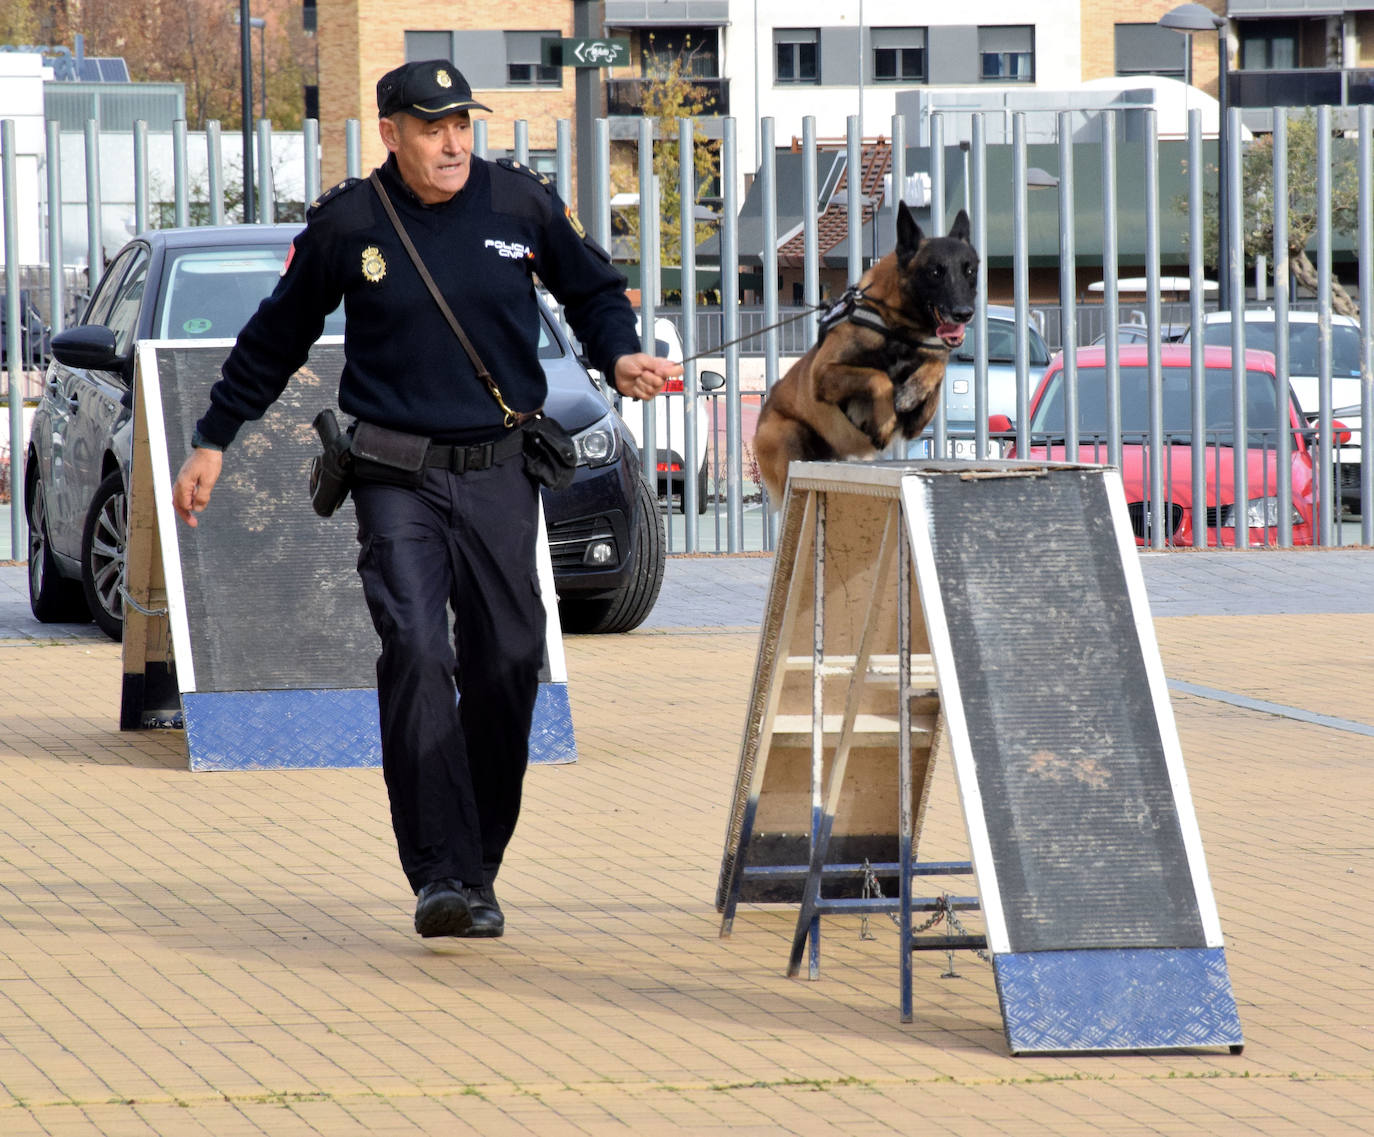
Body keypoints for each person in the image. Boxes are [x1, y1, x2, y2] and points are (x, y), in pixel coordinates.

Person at [172, 60, 680, 940]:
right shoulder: (350, 223)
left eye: (462, 124)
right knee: (413, 649)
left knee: (510, 656)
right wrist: (215, 436)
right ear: (391, 132)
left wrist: (620, 352)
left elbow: (594, 290)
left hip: (499, 473)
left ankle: (477, 859)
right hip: (395, 475)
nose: (452, 142)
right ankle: (441, 871)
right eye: (432, 125)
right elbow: (276, 333)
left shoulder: (519, 204)